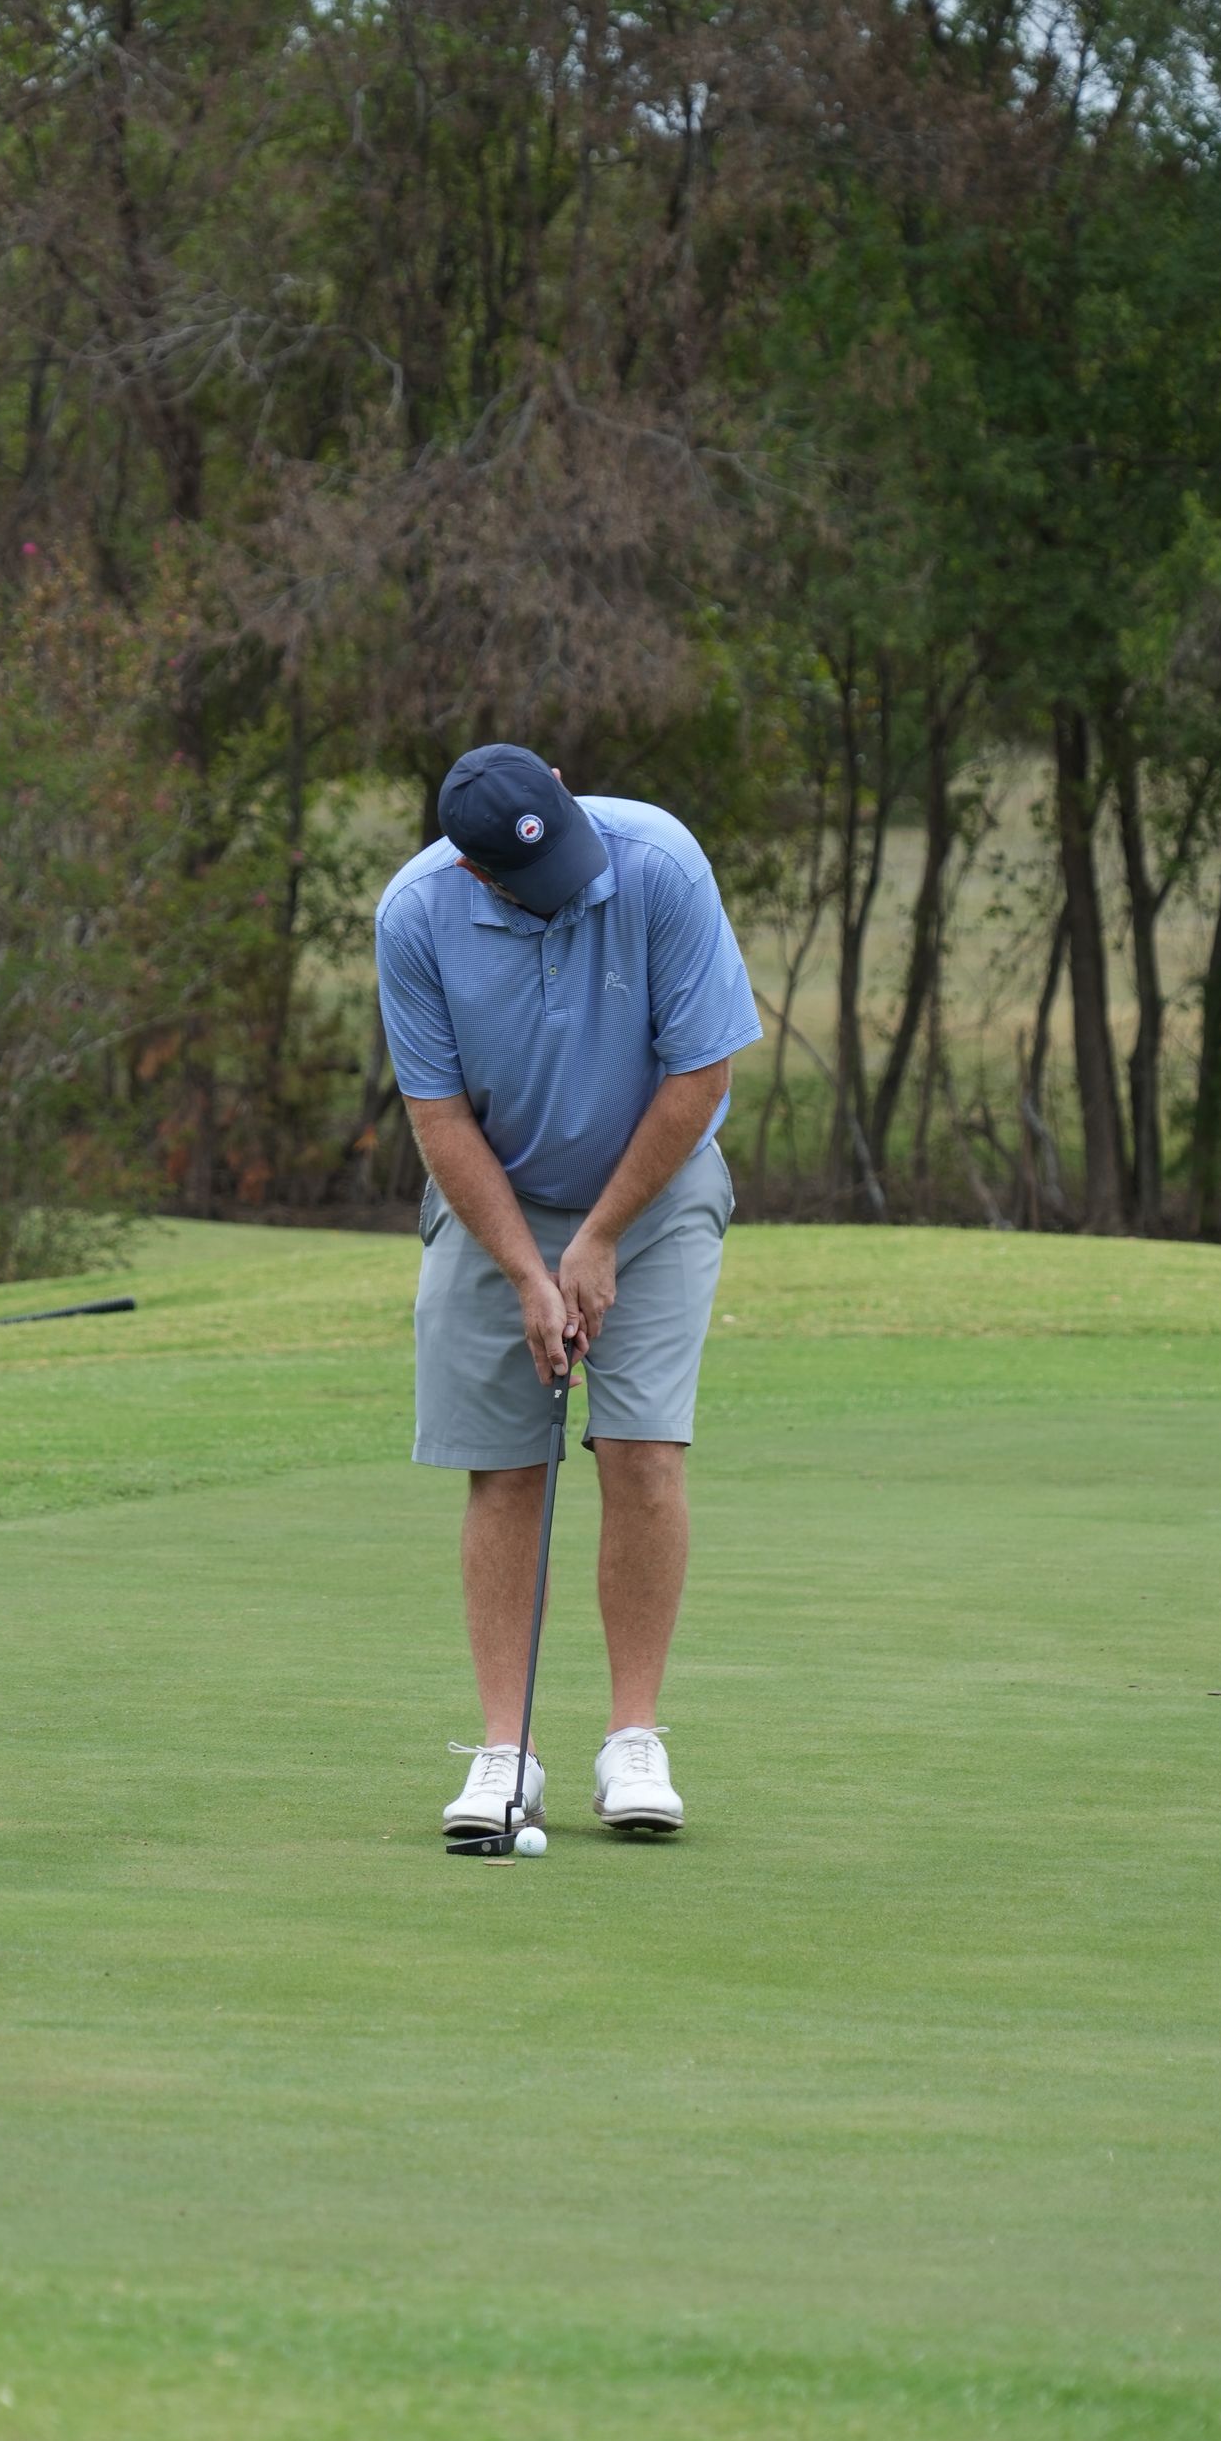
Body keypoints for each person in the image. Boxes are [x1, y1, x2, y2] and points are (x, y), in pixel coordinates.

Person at [375, 742, 762, 1844]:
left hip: (657, 1178)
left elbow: (704, 1075)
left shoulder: (658, 863)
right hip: (497, 1186)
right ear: (478, 873)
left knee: (642, 1447)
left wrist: (596, 1242)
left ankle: (633, 1738)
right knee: (504, 1465)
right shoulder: (414, 917)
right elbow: (439, 1117)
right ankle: (506, 1755)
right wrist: (524, 1268)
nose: (570, 891)